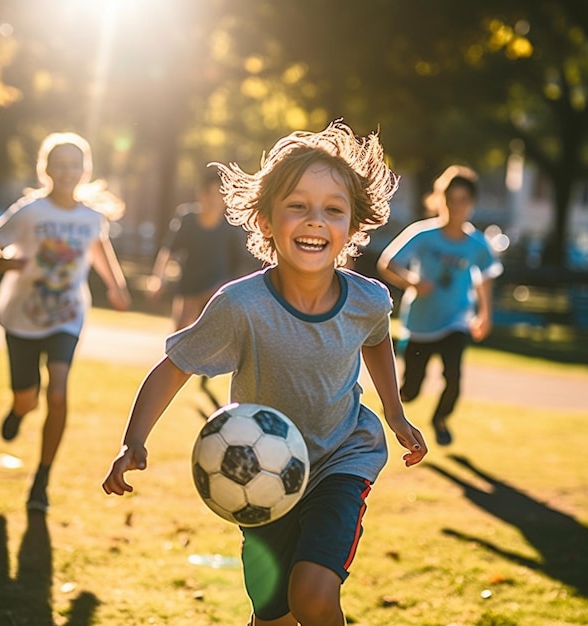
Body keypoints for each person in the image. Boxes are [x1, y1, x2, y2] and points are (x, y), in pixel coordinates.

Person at [102, 120, 427, 626]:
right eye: (297, 205)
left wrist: (394, 412)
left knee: (313, 597)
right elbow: (173, 368)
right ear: (266, 220)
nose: (315, 220)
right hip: (258, 476)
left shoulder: (368, 299)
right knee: (272, 617)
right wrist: (133, 440)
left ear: (353, 227)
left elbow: (377, 340)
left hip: (341, 459)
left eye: (333, 210)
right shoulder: (241, 305)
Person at [0, 131, 131, 512]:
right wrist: (11, 263)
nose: (67, 172)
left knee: (60, 390)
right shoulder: (30, 211)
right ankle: (18, 410)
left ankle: (42, 480)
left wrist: (116, 285)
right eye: (59, 165)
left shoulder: (90, 217)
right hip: (22, 317)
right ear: (45, 169)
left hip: (67, 315)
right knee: (27, 396)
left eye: (74, 166)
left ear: (85, 170)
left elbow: (98, 247)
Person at [377, 165, 503, 447]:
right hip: (420, 323)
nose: (455, 207)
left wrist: (485, 314)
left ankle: (441, 419)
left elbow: (485, 278)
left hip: (456, 320)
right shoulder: (423, 234)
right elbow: (387, 263)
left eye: (462, 200)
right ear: (439, 200)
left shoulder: (477, 244)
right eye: (450, 199)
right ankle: (392, 412)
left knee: (454, 378)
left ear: (471, 204)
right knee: (411, 389)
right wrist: (412, 281)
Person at [147, 167, 258, 413]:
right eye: (208, 193)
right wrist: (159, 279)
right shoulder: (187, 219)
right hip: (189, 288)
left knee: (220, 337)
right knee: (178, 340)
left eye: (218, 195)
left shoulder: (230, 227)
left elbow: (241, 261)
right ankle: (165, 391)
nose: (212, 200)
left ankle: (214, 378)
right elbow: (169, 252)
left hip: (214, 290)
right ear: (200, 195)